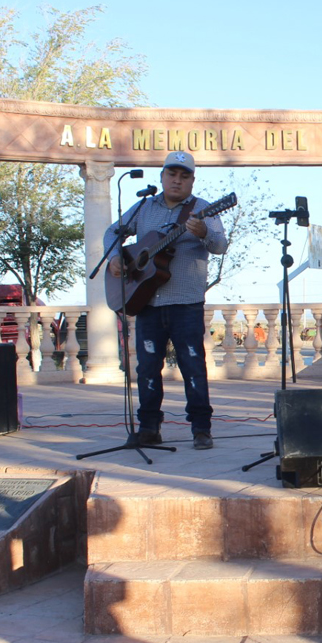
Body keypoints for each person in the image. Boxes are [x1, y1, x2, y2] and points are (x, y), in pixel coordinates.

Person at [105, 151, 228, 450]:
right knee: (147, 367)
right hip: (147, 302)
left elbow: (220, 245)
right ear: (162, 177)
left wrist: (203, 233)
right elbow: (112, 231)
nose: (177, 180)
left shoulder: (204, 209)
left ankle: (201, 428)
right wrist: (114, 256)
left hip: (186, 302)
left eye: (184, 176)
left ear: (192, 180)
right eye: (172, 174)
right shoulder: (144, 208)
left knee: (193, 365)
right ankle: (148, 427)